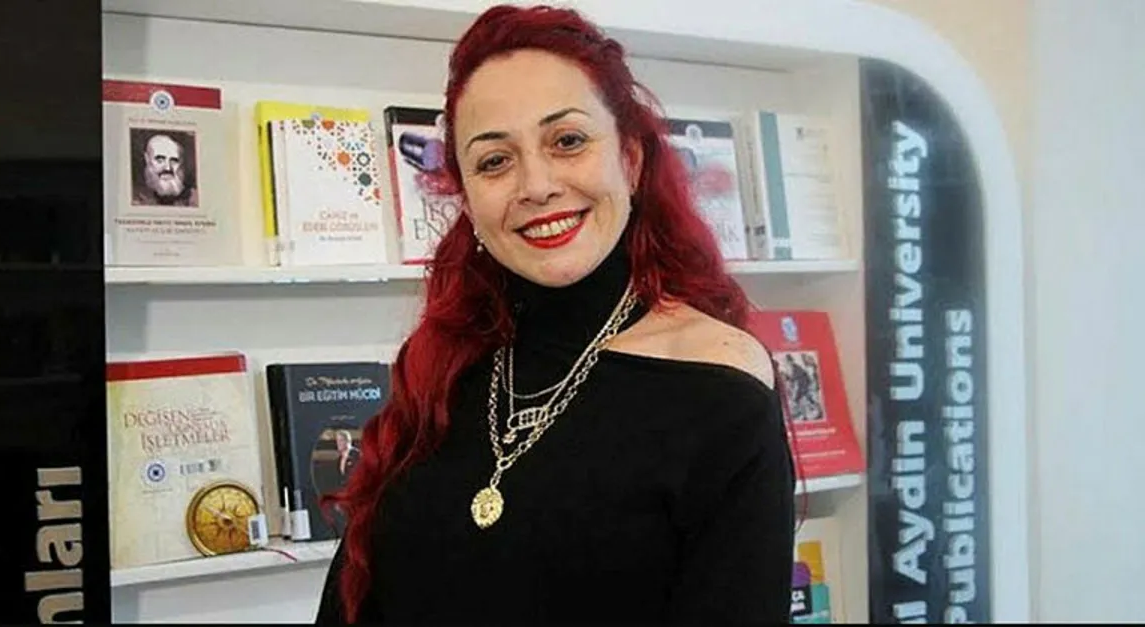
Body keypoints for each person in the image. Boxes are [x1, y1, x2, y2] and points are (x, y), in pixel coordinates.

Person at [315, 4, 797, 624]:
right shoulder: (444, 365)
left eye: (567, 141)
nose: (536, 185)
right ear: (467, 198)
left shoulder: (718, 384)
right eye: (495, 160)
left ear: (630, 160)